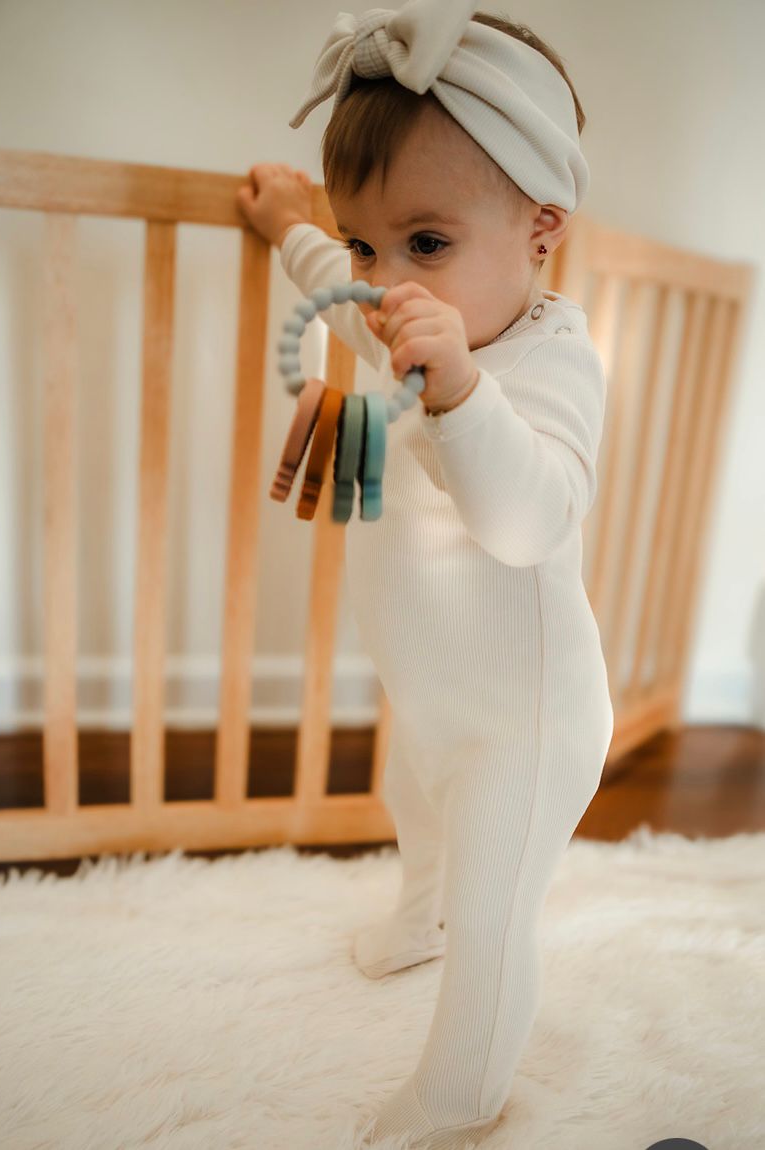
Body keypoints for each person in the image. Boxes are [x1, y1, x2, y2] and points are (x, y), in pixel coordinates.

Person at [237, 3, 615, 1146]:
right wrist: (293, 232)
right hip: (439, 693)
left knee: (495, 905)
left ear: (542, 226)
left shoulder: (550, 359)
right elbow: (336, 282)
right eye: (367, 247)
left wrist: (460, 393)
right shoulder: (404, 325)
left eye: (426, 244)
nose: (385, 281)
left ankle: (458, 1097)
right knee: (417, 811)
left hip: (529, 723)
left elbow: (525, 518)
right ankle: (417, 918)